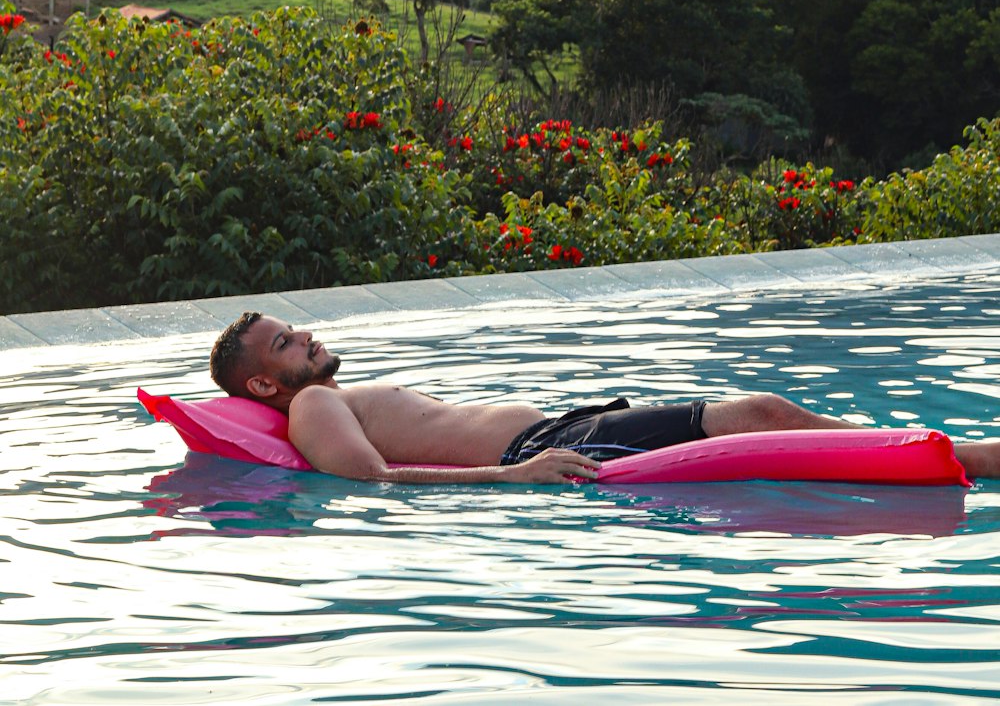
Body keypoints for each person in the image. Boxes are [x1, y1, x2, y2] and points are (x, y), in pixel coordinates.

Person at [208, 312, 1000, 484]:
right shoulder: (312, 408)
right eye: (285, 344)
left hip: (572, 427)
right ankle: (970, 458)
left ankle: (946, 451)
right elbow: (369, 479)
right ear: (265, 386)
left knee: (765, 414)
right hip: (549, 451)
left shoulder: (331, 391)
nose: (305, 336)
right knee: (762, 414)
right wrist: (511, 478)